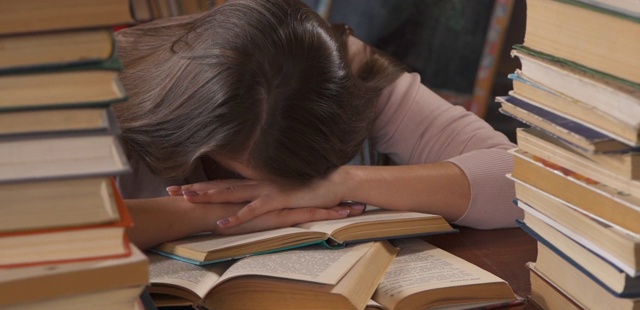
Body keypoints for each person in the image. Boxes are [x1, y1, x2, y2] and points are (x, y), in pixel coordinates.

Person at [113, 0, 523, 250]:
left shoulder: (347, 70)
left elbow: (520, 183)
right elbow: (54, 239)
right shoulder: (93, 91)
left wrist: (344, 182)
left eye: (294, 182)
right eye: (244, 172)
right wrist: (203, 214)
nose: (280, 193)